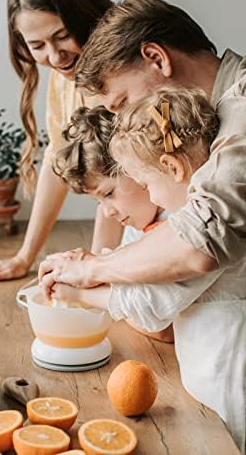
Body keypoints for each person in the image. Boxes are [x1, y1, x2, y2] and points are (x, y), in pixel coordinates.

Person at [38, 0, 246, 348]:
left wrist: (90, 269)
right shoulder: (213, 122)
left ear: (156, 58)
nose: (123, 126)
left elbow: (200, 242)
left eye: (121, 104)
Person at [51, 87, 246, 455]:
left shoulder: (202, 232)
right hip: (223, 385)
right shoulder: (189, 218)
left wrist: (77, 293)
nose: (150, 195)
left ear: (171, 168)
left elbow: (151, 303)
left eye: (147, 184)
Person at [0, 0, 118, 282]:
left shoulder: (120, 73)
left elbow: (121, 181)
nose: (54, 57)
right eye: (37, 46)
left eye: (63, 36)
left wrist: (93, 270)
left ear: (84, 15)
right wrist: (24, 257)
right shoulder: (65, 74)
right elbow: (58, 157)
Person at [52, 104, 173, 343]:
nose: (106, 212)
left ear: (138, 167)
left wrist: (80, 293)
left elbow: (163, 329)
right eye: (98, 201)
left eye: (108, 193)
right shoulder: (136, 225)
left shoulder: (179, 220)